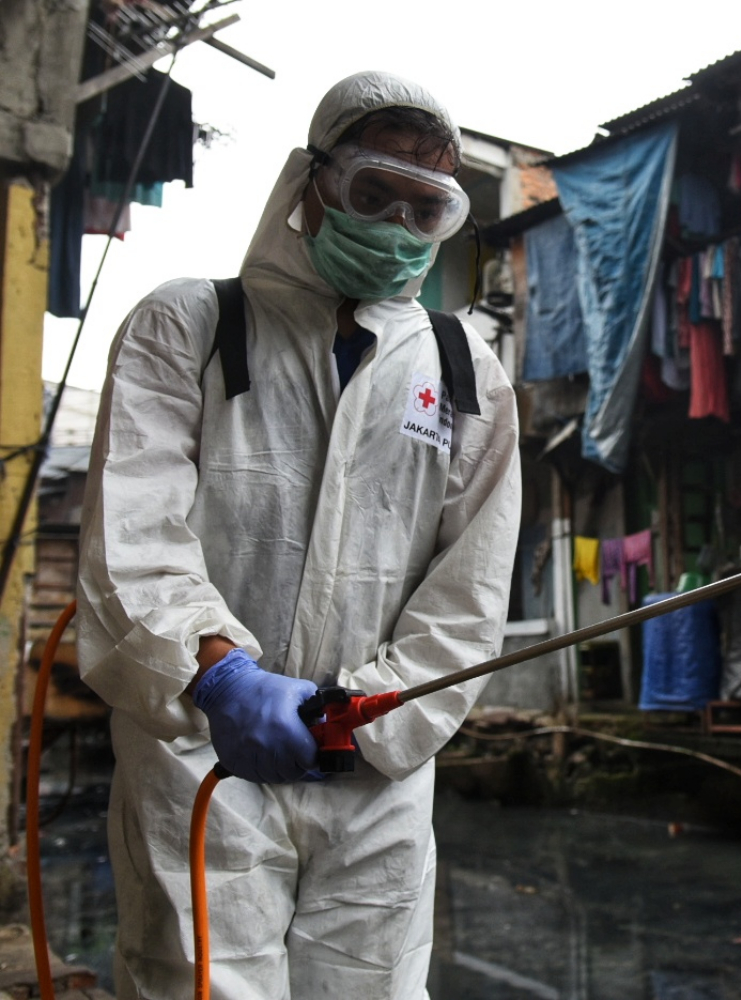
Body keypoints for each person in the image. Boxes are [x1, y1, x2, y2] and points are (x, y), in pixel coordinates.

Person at [76, 71, 519, 998]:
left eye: (426, 205)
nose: (398, 224)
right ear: (312, 185)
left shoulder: (462, 369)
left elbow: (468, 592)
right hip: (200, 753)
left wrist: (372, 710)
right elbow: (135, 531)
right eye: (372, 193)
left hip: (374, 768)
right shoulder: (189, 323)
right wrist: (222, 675)